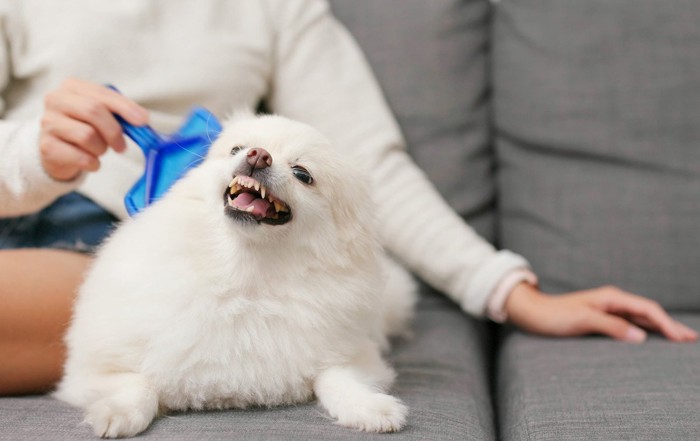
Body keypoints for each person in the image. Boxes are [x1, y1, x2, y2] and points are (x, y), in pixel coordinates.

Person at [0, 0, 696, 395]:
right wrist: (35, 156)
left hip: (135, 248)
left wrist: (511, 291)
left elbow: (367, 176)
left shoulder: (276, 10)